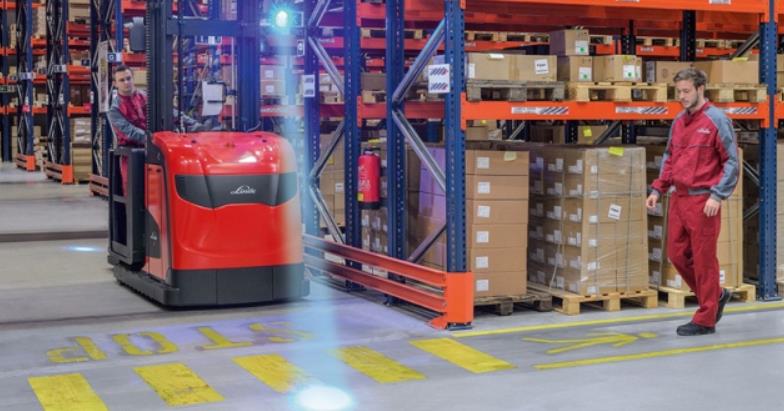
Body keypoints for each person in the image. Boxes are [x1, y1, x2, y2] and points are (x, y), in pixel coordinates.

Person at [646, 68, 739, 336]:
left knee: (704, 259)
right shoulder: (678, 122)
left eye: (686, 91)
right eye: (679, 92)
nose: (682, 96)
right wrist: (658, 189)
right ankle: (716, 295)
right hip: (679, 197)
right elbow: (669, 157)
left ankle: (706, 319)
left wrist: (718, 195)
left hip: (703, 201)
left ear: (700, 89)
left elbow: (731, 161)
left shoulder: (716, 120)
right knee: (676, 255)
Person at [107, 64, 202, 194]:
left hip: (155, 150)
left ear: (133, 78)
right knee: (136, 192)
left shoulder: (146, 98)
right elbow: (130, 131)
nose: (126, 82)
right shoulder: (115, 110)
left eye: (128, 78)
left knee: (161, 190)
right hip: (133, 155)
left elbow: (170, 113)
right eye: (122, 80)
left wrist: (194, 125)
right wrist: (153, 139)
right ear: (115, 84)